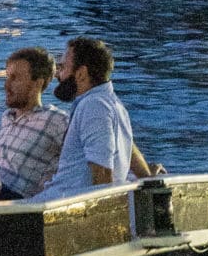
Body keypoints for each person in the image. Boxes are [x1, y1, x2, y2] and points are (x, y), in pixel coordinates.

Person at [42, 35, 155, 198]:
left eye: (63, 67)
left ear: (81, 73)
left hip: (61, 205)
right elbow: (129, 149)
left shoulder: (93, 106)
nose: (58, 75)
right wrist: (149, 179)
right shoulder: (113, 103)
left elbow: (102, 172)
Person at [0, 46, 70, 200]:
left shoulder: (56, 120)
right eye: (7, 77)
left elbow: (83, 157)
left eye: (15, 78)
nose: (6, 85)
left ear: (37, 83)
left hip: (16, 202)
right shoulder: (7, 118)